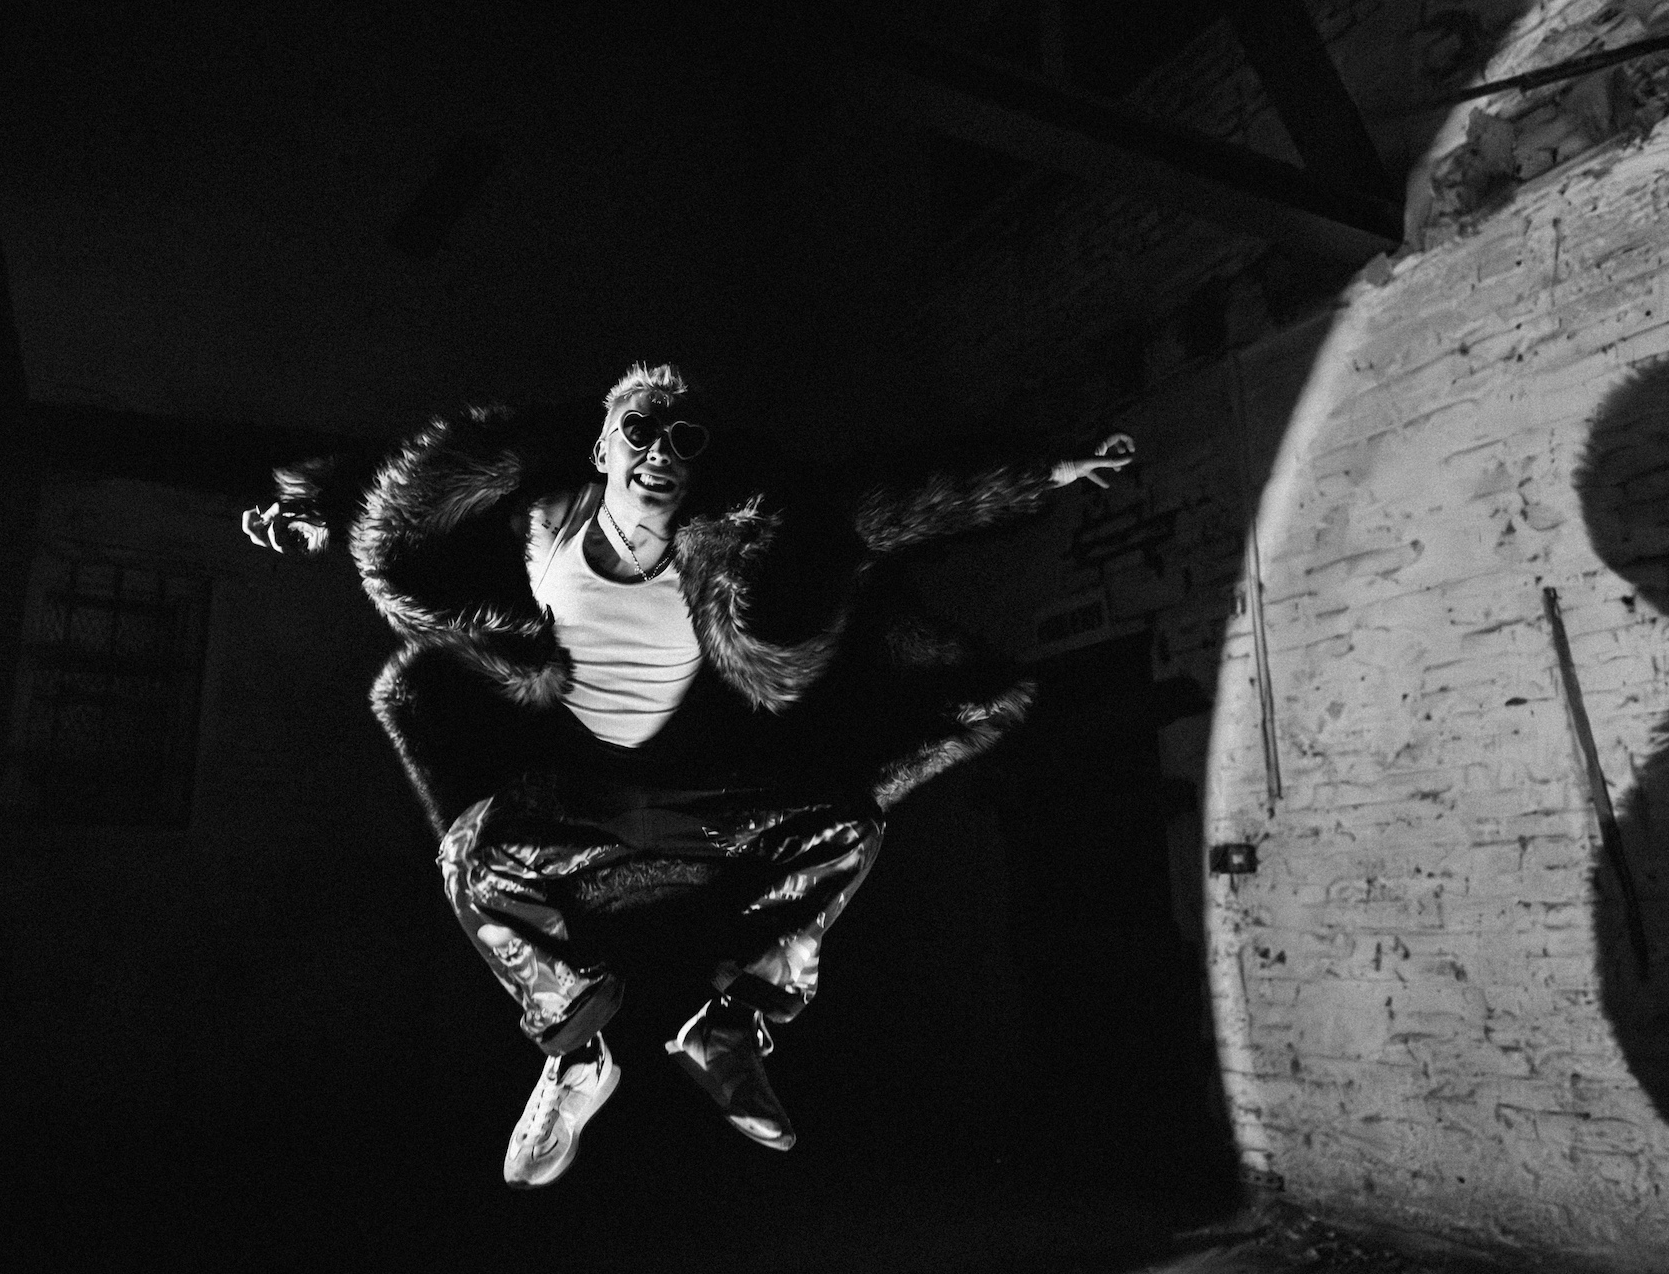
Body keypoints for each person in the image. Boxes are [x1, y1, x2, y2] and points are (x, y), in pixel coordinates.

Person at [242, 363, 1132, 1188]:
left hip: (701, 796)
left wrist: (1041, 476)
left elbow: (879, 509)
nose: (660, 454)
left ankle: (729, 1029)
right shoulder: (542, 523)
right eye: (641, 432)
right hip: (575, 798)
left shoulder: (727, 545)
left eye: (683, 441)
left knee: (848, 830)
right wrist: (321, 512)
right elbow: (416, 519)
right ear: (603, 448)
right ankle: (576, 1056)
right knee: (469, 861)